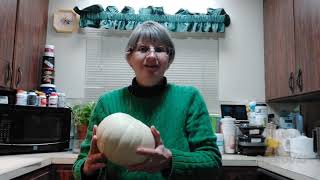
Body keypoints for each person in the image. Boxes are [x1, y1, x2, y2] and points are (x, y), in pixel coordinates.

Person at [73, 21, 221, 180]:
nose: (151, 56)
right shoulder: (107, 103)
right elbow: (81, 164)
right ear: (129, 58)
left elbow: (212, 162)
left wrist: (170, 160)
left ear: (169, 59)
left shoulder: (190, 98)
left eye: (159, 49)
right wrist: (87, 169)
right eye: (143, 49)